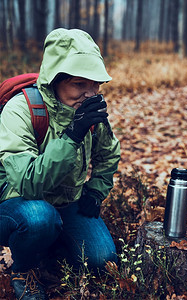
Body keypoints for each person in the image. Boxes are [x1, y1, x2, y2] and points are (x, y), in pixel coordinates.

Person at [0, 28, 120, 300]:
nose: (90, 93)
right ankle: (23, 269)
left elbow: (109, 153)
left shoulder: (88, 108)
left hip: (67, 201)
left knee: (101, 260)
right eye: (79, 84)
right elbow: (28, 184)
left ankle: (48, 246)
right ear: (54, 80)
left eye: (95, 84)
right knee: (39, 219)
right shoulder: (21, 110)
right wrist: (72, 135)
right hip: (18, 203)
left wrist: (96, 191)